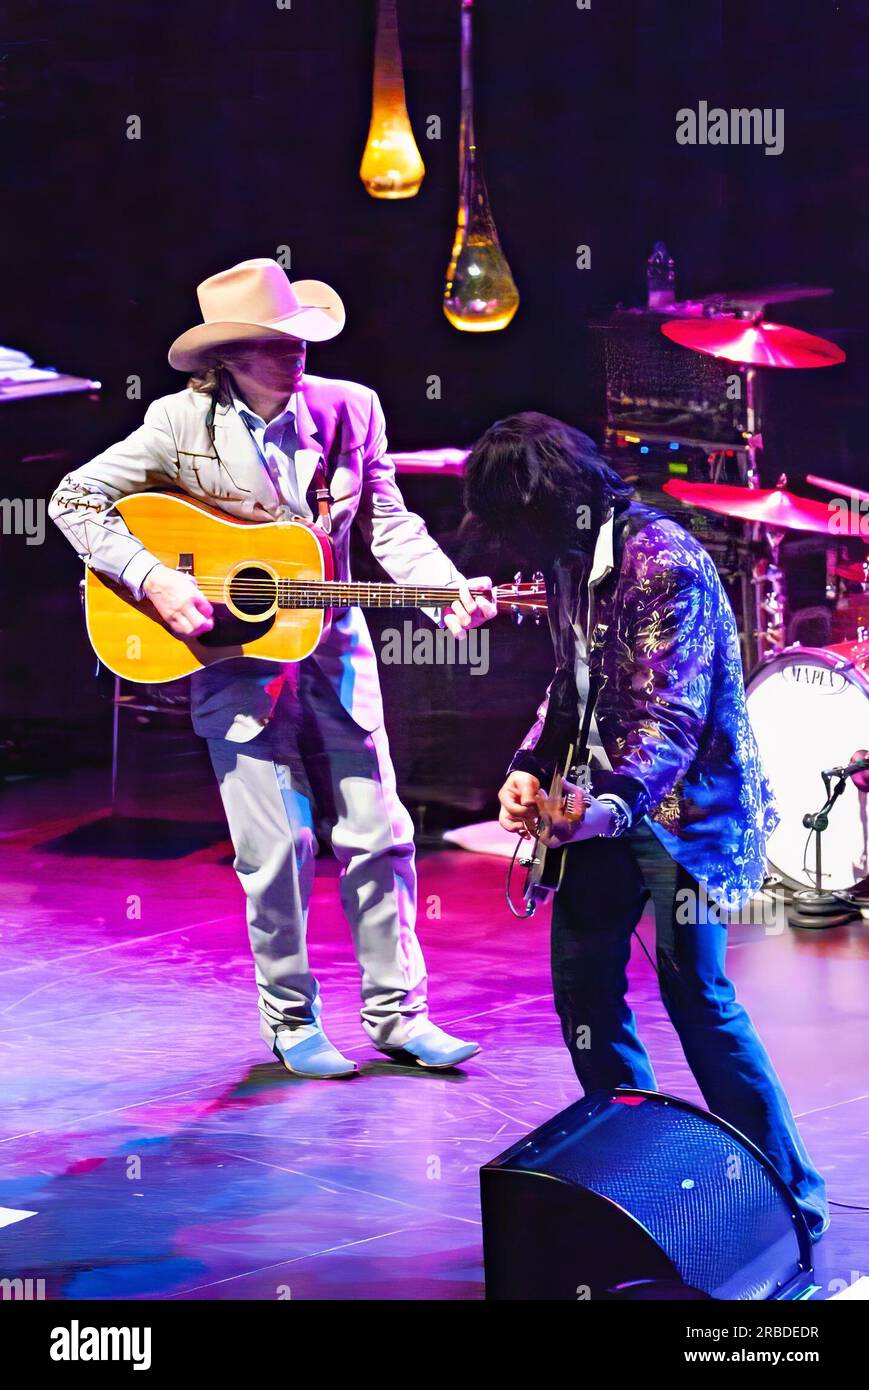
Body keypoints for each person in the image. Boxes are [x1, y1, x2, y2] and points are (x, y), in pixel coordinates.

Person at [49, 257, 496, 1079]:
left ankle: (401, 1016)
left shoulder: (350, 408)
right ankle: (292, 1021)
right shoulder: (176, 425)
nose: (291, 355)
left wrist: (443, 591)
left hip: (333, 634)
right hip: (229, 655)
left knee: (381, 830)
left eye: (294, 338)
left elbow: (390, 523)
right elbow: (74, 500)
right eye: (267, 345)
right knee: (276, 845)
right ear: (224, 358)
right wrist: (154, 577)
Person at [463, 410, 828, 1240]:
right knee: (583, 994)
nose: (517, 550)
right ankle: (640, 1185)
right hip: (601, 813)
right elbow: (572, 683)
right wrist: (526, 767)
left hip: (681, 821)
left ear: (554, 506)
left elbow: (668, 720)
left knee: (697, 998)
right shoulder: (566, 559)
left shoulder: (666, 564)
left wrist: (599, 809)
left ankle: (791, 1202)